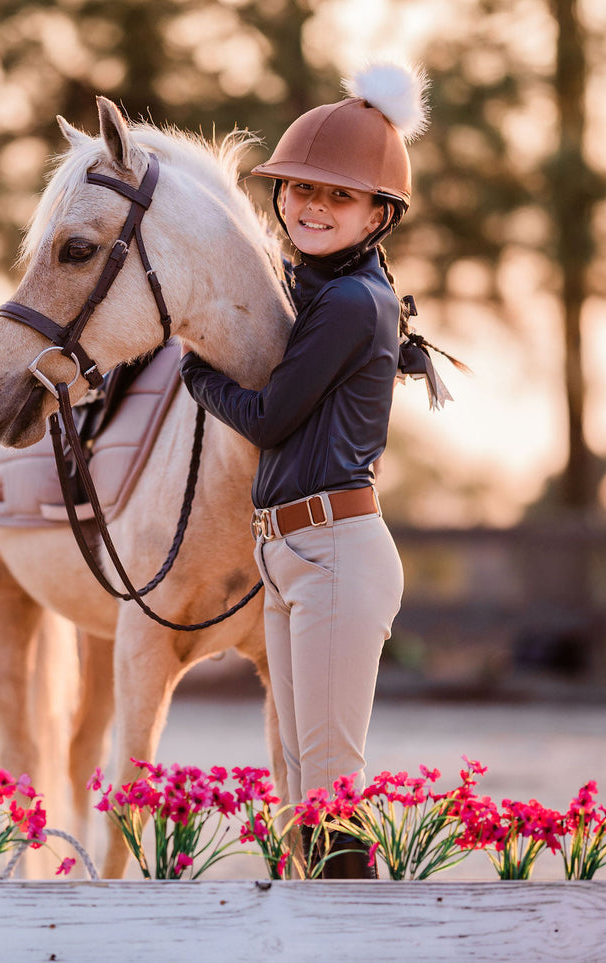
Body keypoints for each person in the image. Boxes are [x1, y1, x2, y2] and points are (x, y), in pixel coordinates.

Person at [180, 63, 433, 879]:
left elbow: (266, 415)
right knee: (297, 790)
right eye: (296, 189)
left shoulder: (356, 303)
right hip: (290, 552)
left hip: (332, 552)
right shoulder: (322, 291)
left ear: (378, 214)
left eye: (337, 197)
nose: (309, 207)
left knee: (326, 801)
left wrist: (192, 364)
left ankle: (354, 937)